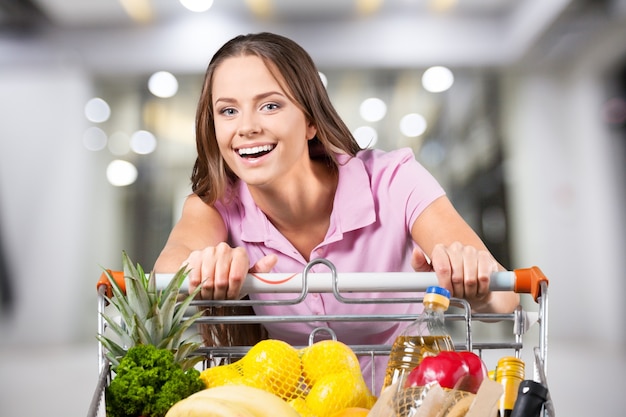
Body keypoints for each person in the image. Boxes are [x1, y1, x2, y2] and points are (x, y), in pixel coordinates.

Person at [154, 31, 519, 392]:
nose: (247, 127)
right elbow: (166, 272)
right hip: (297, 405)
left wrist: (476, 283)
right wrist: (204, 266)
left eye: (270, 105)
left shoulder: (392, 180)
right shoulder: (217, 205)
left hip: (408, 400)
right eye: (228, 111)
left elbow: (505, 297)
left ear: (311, 121)